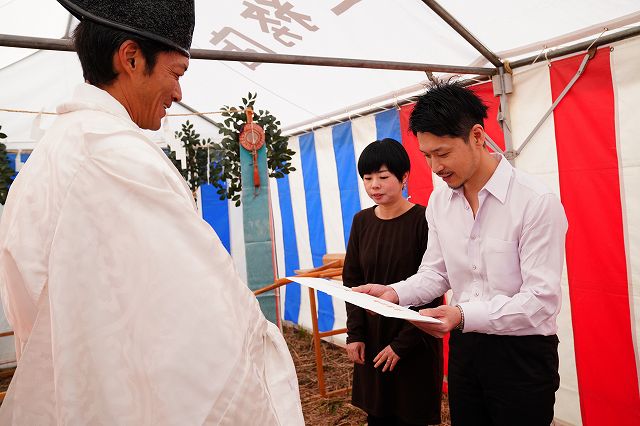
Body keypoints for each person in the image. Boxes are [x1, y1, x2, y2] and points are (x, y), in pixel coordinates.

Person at [0, 1, 304, 424]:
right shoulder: (114, 157)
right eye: (176, 74)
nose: (179, 94)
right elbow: (200, 325)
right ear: (130, 58)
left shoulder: (52, 155)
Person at [355, 81, 568, 426]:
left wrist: (462, 314)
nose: (435, 167)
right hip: (466, 349)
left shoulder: (535, 202)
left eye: (442, 153)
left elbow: (540, 301)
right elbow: (436, 273)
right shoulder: (441, 201)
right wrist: (394, 292)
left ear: (478, 137)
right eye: (426, 156)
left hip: (522, 354)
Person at [343, 139, 443, 426]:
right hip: (373, 336)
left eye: (383, 176)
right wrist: (356, 334)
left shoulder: (424, 220)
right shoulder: (361, 222)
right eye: (368, 177)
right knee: (377, 415)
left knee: (411, 414)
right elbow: (353, 281)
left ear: (404, 178)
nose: (375, 184)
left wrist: (402, 345)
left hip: (415, 337)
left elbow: (433, 289)